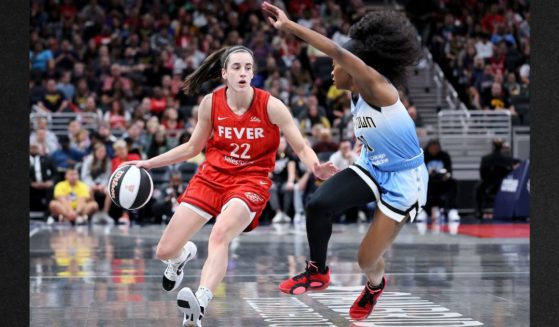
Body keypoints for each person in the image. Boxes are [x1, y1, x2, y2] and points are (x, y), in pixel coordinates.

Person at [126, 45, 337, 326]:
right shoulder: (210, 104)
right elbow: (191, 148)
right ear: (224, 73)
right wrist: (148, 164)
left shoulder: (271, 105)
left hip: (251, 181)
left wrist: (316, 167)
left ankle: (199, 301)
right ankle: (180, 257)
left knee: (220, 233)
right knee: (164, 251)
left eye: (248, 67)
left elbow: (300, 144)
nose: (243, 73)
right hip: (211, 178)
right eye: (236, 67)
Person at [263, 2, 426, 321]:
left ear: (352, 66)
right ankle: (317, 272)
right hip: (372, 166)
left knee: (366, 260)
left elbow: (337, 51)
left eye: (335, 65)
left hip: (405, 180)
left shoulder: (377, 87)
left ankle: (375, 285)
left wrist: (290, 27)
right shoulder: (354, 95)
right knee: (317, 204)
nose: (331, 71)